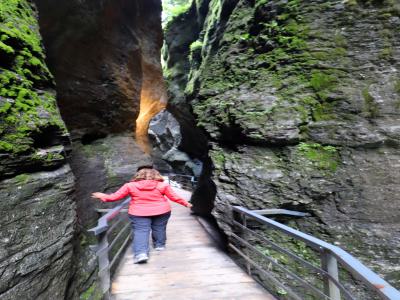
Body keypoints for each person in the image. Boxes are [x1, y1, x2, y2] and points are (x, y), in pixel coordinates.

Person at [91, 166, 192, 264]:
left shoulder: (129, 186)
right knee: (159, 228)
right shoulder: (162, 185)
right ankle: (159, 245)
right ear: (156, 175)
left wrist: (103, 196)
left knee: (141, 231)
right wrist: (186, 204)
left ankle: (141, 254)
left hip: (139, 212)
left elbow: (114, 197)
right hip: (161, 210)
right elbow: (174, 197)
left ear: (138, 175)